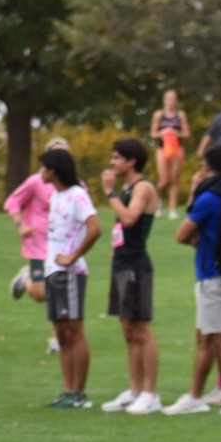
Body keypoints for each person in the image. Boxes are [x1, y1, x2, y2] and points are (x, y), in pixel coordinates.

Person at [165, 144, 221, 416]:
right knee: (205, 336)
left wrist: (193, 190)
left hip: (212, 272)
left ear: (207, 166)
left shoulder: (209, 198)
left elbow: (181, 233)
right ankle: (195, 396)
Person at [98, 138, 163, 414]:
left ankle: (151, 393)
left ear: (131, 161)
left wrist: (110, 193)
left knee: (142, 330)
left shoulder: (143, 188)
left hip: (137, 265)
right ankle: (134, 389)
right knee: (127, 329)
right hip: (122, 263)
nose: (112, 163)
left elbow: (129, 219)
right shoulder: (127, 189)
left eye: (116, 158)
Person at [39, 147, 98, 408]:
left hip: (70, 273)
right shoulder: (56, 197)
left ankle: (79, 393)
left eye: (43, 167)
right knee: (61, 334)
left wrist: (73, 256)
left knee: (75, 332)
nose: (40, 172)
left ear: (54, 170)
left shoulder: (77, 195)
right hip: (53, 270)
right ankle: (67, 390)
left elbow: (95, 228)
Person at [2, 140, 62, 306]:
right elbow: (12, 202)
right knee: (40, 294)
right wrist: (20, 225)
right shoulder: (36, 181)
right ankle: (27, 277)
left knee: (60, 288)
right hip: (38, 242)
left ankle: (58, 332)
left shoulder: (76, 184)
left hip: (63, 243)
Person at [151, 90, 191, 220]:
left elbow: (186, 133)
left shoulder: (180, 115)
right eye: (168, 99)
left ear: (176, 101)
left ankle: (172, 209)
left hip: (177, 148)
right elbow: (153, 133)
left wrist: (176, 133)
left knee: (174, 179)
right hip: (162, 148)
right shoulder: (159, 115)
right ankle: (158, 202)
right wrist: (163, 132)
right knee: (164, 179)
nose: (171, 101)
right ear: (164, 100)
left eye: (173, 99)